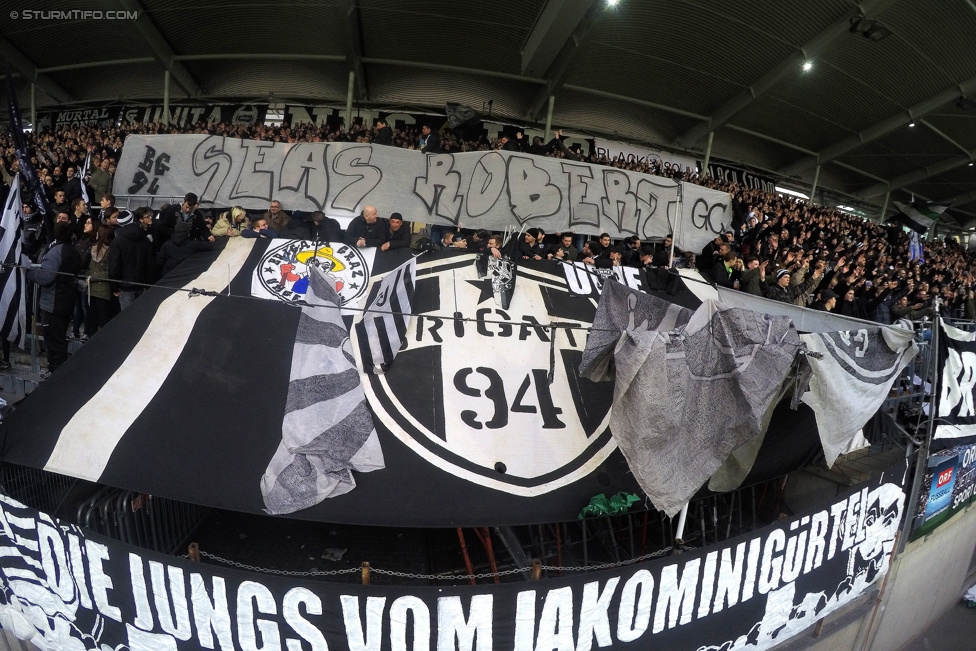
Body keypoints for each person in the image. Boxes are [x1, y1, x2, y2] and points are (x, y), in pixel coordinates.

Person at [27, 222, 82, 377]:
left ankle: (56, 372)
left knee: (53, 340)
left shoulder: (55, 252)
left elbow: (46, 276)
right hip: (67, 301)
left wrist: (27, 271)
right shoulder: (74, 251)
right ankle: (56, 371)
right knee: (59, 338)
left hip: (52, 303)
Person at [108, 206, 154, 310]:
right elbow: (150, 264)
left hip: (125, 287)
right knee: (141, 319)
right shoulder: (145, 239)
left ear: (120, 223)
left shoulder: (117, 241)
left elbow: (113, 266)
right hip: (141, 285)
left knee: (127, 320)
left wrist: (114, 287)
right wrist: (147, 284)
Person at [85, 224, 114, 336]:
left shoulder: (110, 251)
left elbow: (110, 272)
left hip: (103, 291)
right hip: (91, 291)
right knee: (92, 320)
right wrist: (88, 276)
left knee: (103, 320)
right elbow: (88, 268)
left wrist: (92, 277)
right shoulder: (92, 248)